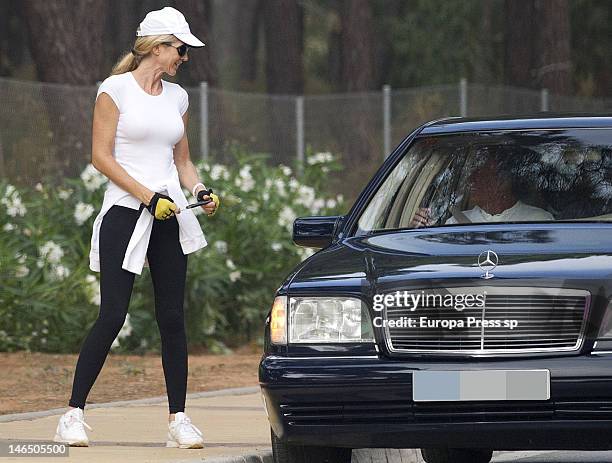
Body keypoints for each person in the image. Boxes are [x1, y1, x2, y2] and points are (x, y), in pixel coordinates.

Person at [53, 7, 218, 449]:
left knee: (172, 319)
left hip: (170, 214)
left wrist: (199, 189)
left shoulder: (178, 98)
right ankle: (72, 414)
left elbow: (182, 161)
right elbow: (101, 157)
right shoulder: (115, 90)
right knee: (112, 314)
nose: (184, 57)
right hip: (127, 212)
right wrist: (149, 196)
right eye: (181, 49)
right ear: (158, 47)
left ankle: (179, 419)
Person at [411, 156, 553, 228]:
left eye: (481, 177)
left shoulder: (539, 220)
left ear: (503, 183)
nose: (471, 182)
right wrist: (417, 228)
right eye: (471, 177)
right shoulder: (454, 223)